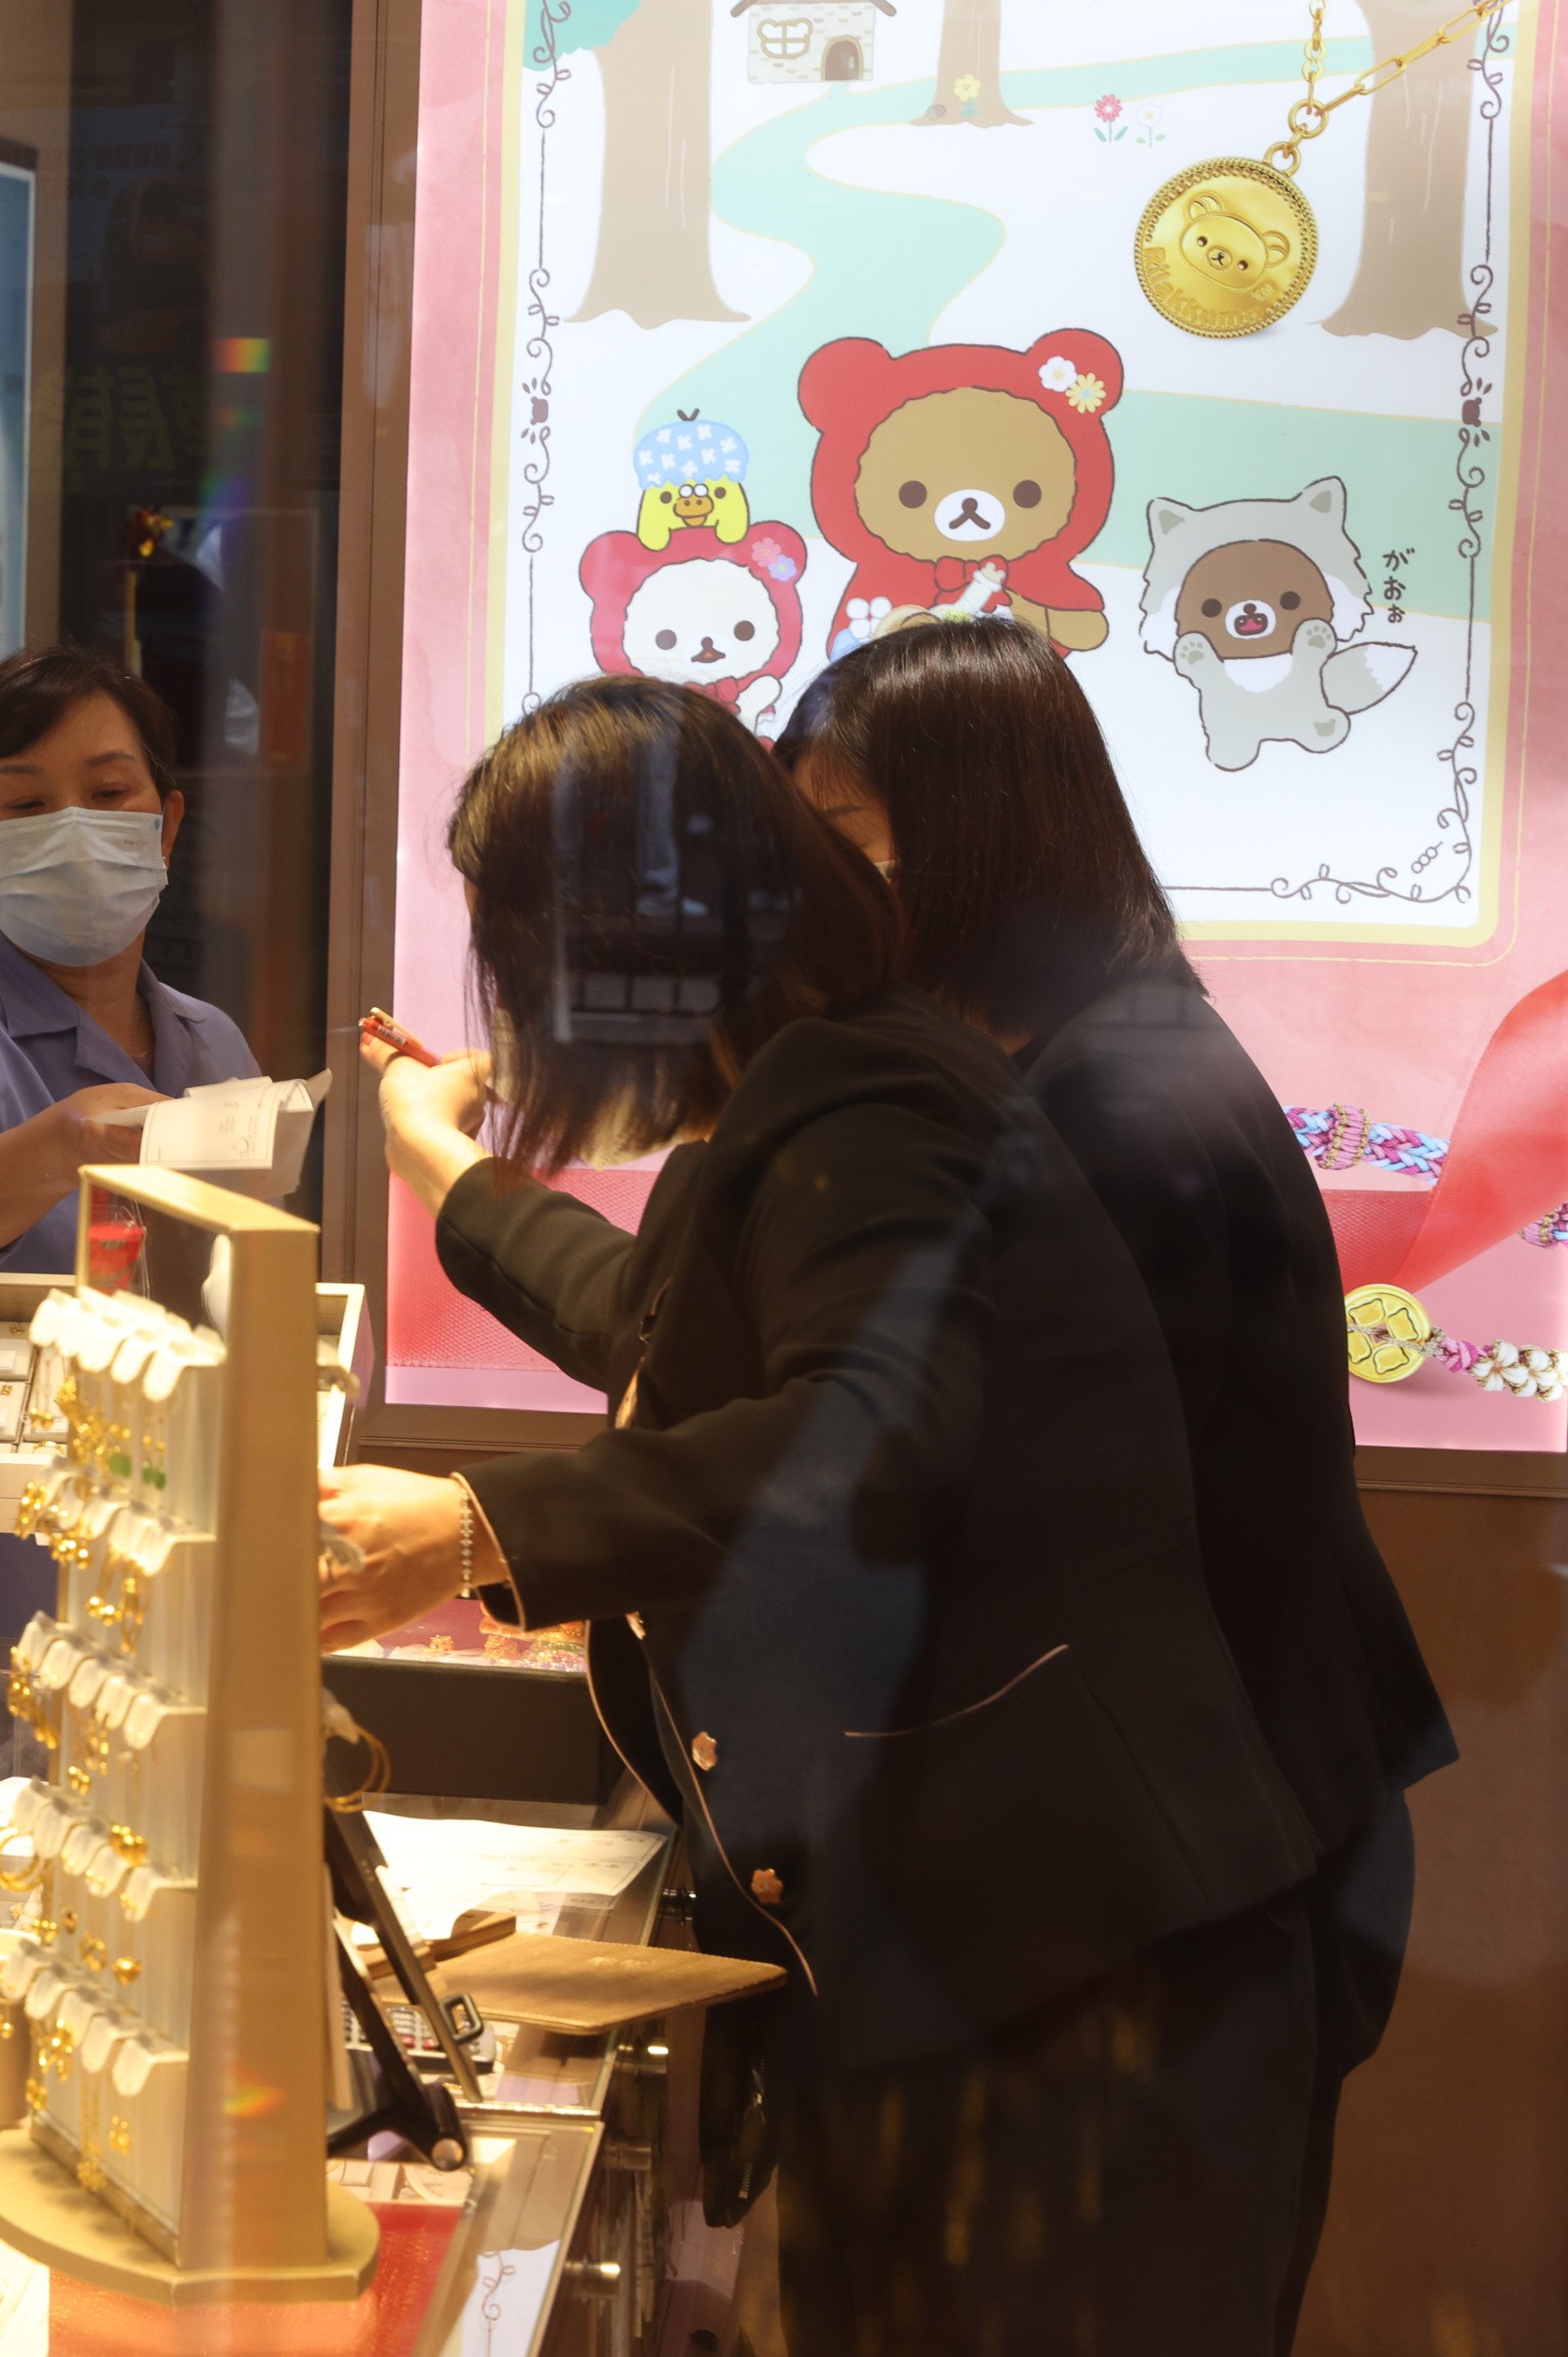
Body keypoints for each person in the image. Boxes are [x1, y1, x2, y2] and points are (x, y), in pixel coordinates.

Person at [315, 676, 1322, 2351]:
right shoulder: (816, 1089)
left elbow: (872, 1429)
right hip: (987, 1956)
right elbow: (662, 1322)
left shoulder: (854, 1095)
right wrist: (449, 1177)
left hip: (1072, 1985)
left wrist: (473, 1527)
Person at [776, 616, 1452, 2347]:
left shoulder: (1104, 1111)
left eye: (839, 855)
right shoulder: (1084, 1056)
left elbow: (937, 1484)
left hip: (1160, 1913)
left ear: (973, 837)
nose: (808, 910)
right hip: (1177, 1863)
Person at [0, 647, 260, 1691]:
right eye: (25, 805)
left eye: (107, 794)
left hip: (167, 1606)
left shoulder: (209, 1045)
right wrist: (65, 1142)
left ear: (163, 824)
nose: (72, 827)